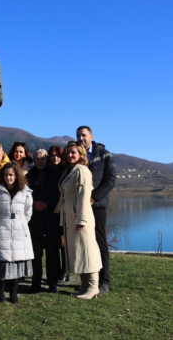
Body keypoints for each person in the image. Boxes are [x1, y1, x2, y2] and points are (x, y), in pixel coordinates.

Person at [57, 141, 102, 300]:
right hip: (70, 215)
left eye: (73, 152)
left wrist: (81, 219)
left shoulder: (82, 171)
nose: (70, 155)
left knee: (87, 250)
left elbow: (84, 197)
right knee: (79, 251)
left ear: (81, 154)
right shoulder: (70, 170)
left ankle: (93, 286)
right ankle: (84, 285)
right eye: (68, 152)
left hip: (80, 216)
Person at [76, 126, 116, 295]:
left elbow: (110, 179)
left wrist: (94, 197)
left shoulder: (103, 154)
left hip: (97, 206)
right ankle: (89, 280)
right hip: (80, 206)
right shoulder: (77, 154)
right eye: (78, 135)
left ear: (91, 136)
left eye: (84, 135)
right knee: (84, 243)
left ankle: (104, 281)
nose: (81, 138)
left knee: (100, 242)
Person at [0, 162, 33, 304]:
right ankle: (0, 292)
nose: (8, 178)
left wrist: (21, 224)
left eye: (11, 175)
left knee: (16, 263)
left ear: (16, 175)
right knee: (2, 262)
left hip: (19, 232)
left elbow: (28, 211)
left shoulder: (25, 192)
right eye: (6, 175)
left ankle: (13, 293)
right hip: (2, 228)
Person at [26, 149, 62, 293]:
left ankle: (53, 282)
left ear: (47, 159)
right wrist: (32, 204)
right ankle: (36, 283)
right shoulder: (29, 176)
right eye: (37, 158)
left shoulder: (56, 175)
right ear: (34, 159)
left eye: (42, 158)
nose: (40, 161)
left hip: (52, 219)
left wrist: (47, 204)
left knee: (53, 255)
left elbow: (61, 196)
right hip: (35, 221)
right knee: (36, 255)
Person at [48, 145, 69, 283]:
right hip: (51, 211)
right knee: (55, 242)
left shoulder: (65, 171)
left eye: (57, 155)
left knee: (64, 242)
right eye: (52, 155)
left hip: (63, 210)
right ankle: (57, 270)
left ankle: (66, 270)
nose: (55, 158)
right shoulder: (47, 171)